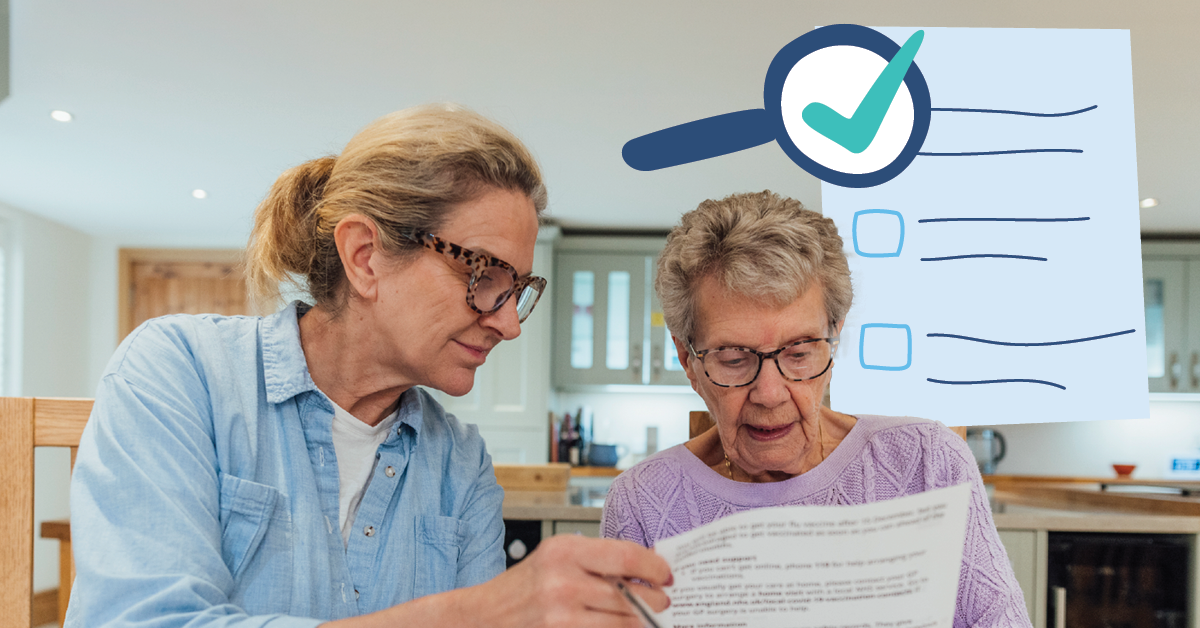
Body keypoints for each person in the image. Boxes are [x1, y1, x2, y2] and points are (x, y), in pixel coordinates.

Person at [67, 104, 671, 628]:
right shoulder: (180, 373)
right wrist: (474, 616)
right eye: (484, 276)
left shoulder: (459, 466)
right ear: (364, 256)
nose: (510, 323)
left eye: (518, 289)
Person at [600, 191, 1032, 628]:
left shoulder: (929, 463)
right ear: (688, 360)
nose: (770, 393)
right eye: (734, 358)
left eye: (800, 353)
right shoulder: (641, 504)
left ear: (835, 336)